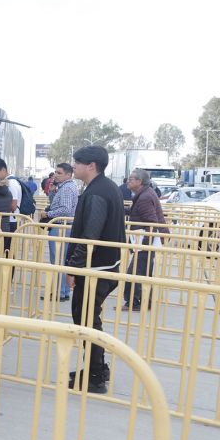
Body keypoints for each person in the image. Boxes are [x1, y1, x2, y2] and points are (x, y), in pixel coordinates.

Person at [65, 146, 126, 394]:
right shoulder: (104, 187)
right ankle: (95, 368)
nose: (74, 166)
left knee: (87, 320)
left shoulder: (97, 192)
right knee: (89, 318)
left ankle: (95, 376)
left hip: (96, 268)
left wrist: (73, 268)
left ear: (91, 166)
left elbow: (90, 235)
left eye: (77, 163)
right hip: (104, 265)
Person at [122, 169, 168, 311]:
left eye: (131, 179)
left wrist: (144, 245)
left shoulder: (145, 197)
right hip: (146, 241)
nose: (128, 181)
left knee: (135, 272)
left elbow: (151, 223)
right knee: (144, 271)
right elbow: (139, 213)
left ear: (139, 182)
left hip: (146, 241)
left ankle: (134, 302)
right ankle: (145, 301)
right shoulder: (145, 194)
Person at [39, 163, 79, 301]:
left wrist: (48, 214)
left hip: (62, 227)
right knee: (60, 260)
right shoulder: (63, 187)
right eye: (55, 172)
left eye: (59, 173)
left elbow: (66, 210)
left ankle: (60, 292)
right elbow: (59, 204)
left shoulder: (67, 188)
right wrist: (51, 191)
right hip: (62, 226)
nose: (56, 174)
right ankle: (62, 291)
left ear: (68, 175)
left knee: (58, 260)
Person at [0, 158, 22, 233]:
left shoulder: (10, 184)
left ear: (3, 170)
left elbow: (13, 206)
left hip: (11, 221)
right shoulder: (10, 182)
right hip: (11, 220)